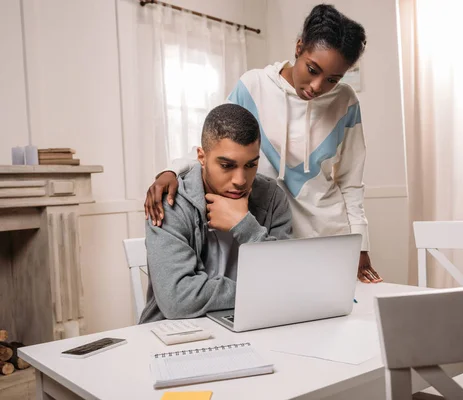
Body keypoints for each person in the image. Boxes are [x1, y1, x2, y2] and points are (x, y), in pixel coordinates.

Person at [144, 4, 382, 283]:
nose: (318, 86)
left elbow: (350, 182)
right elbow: (218, 141)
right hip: (269, 234)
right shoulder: (253, 86)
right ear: (298, 47)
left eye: (333, 79)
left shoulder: (346, 102)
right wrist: (171, 171)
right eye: (312, 69)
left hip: (328, 236)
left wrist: (361, 245)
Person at [139, 104, 292, 323]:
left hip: (255, 324)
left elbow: (289, 278)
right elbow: (179, 299)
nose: (240, 180)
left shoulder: (273, 198)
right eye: (227, 166)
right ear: (201, 157)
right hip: (177, 334)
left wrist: (244, 225)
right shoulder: (169, 202)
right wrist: (267, 289)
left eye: (250, 165)